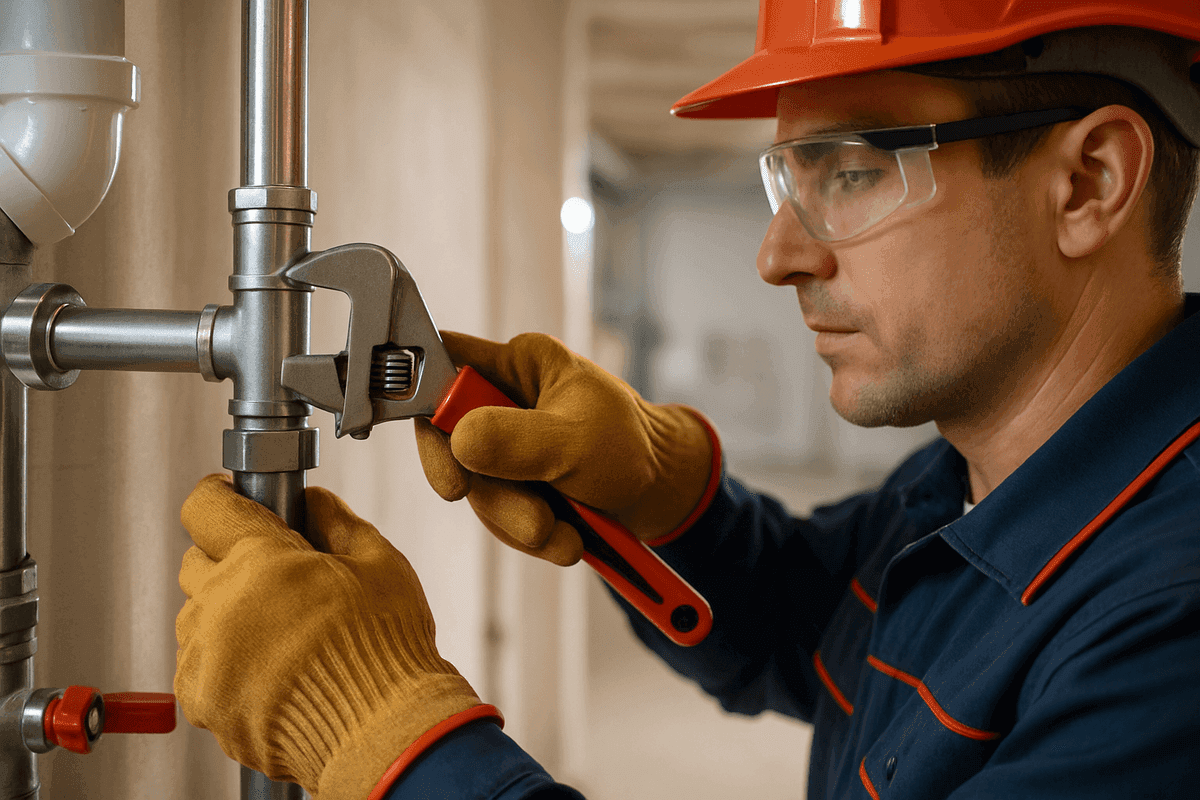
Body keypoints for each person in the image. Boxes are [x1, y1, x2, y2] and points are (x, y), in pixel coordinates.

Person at [173, 2, 1200, 798]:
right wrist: (667, 499)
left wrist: (383, 732)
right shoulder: (968, 485)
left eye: (850, 170)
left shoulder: (1167, 628)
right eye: (786, 180)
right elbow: (808, 628)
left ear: (1089, 182)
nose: (778, 255)